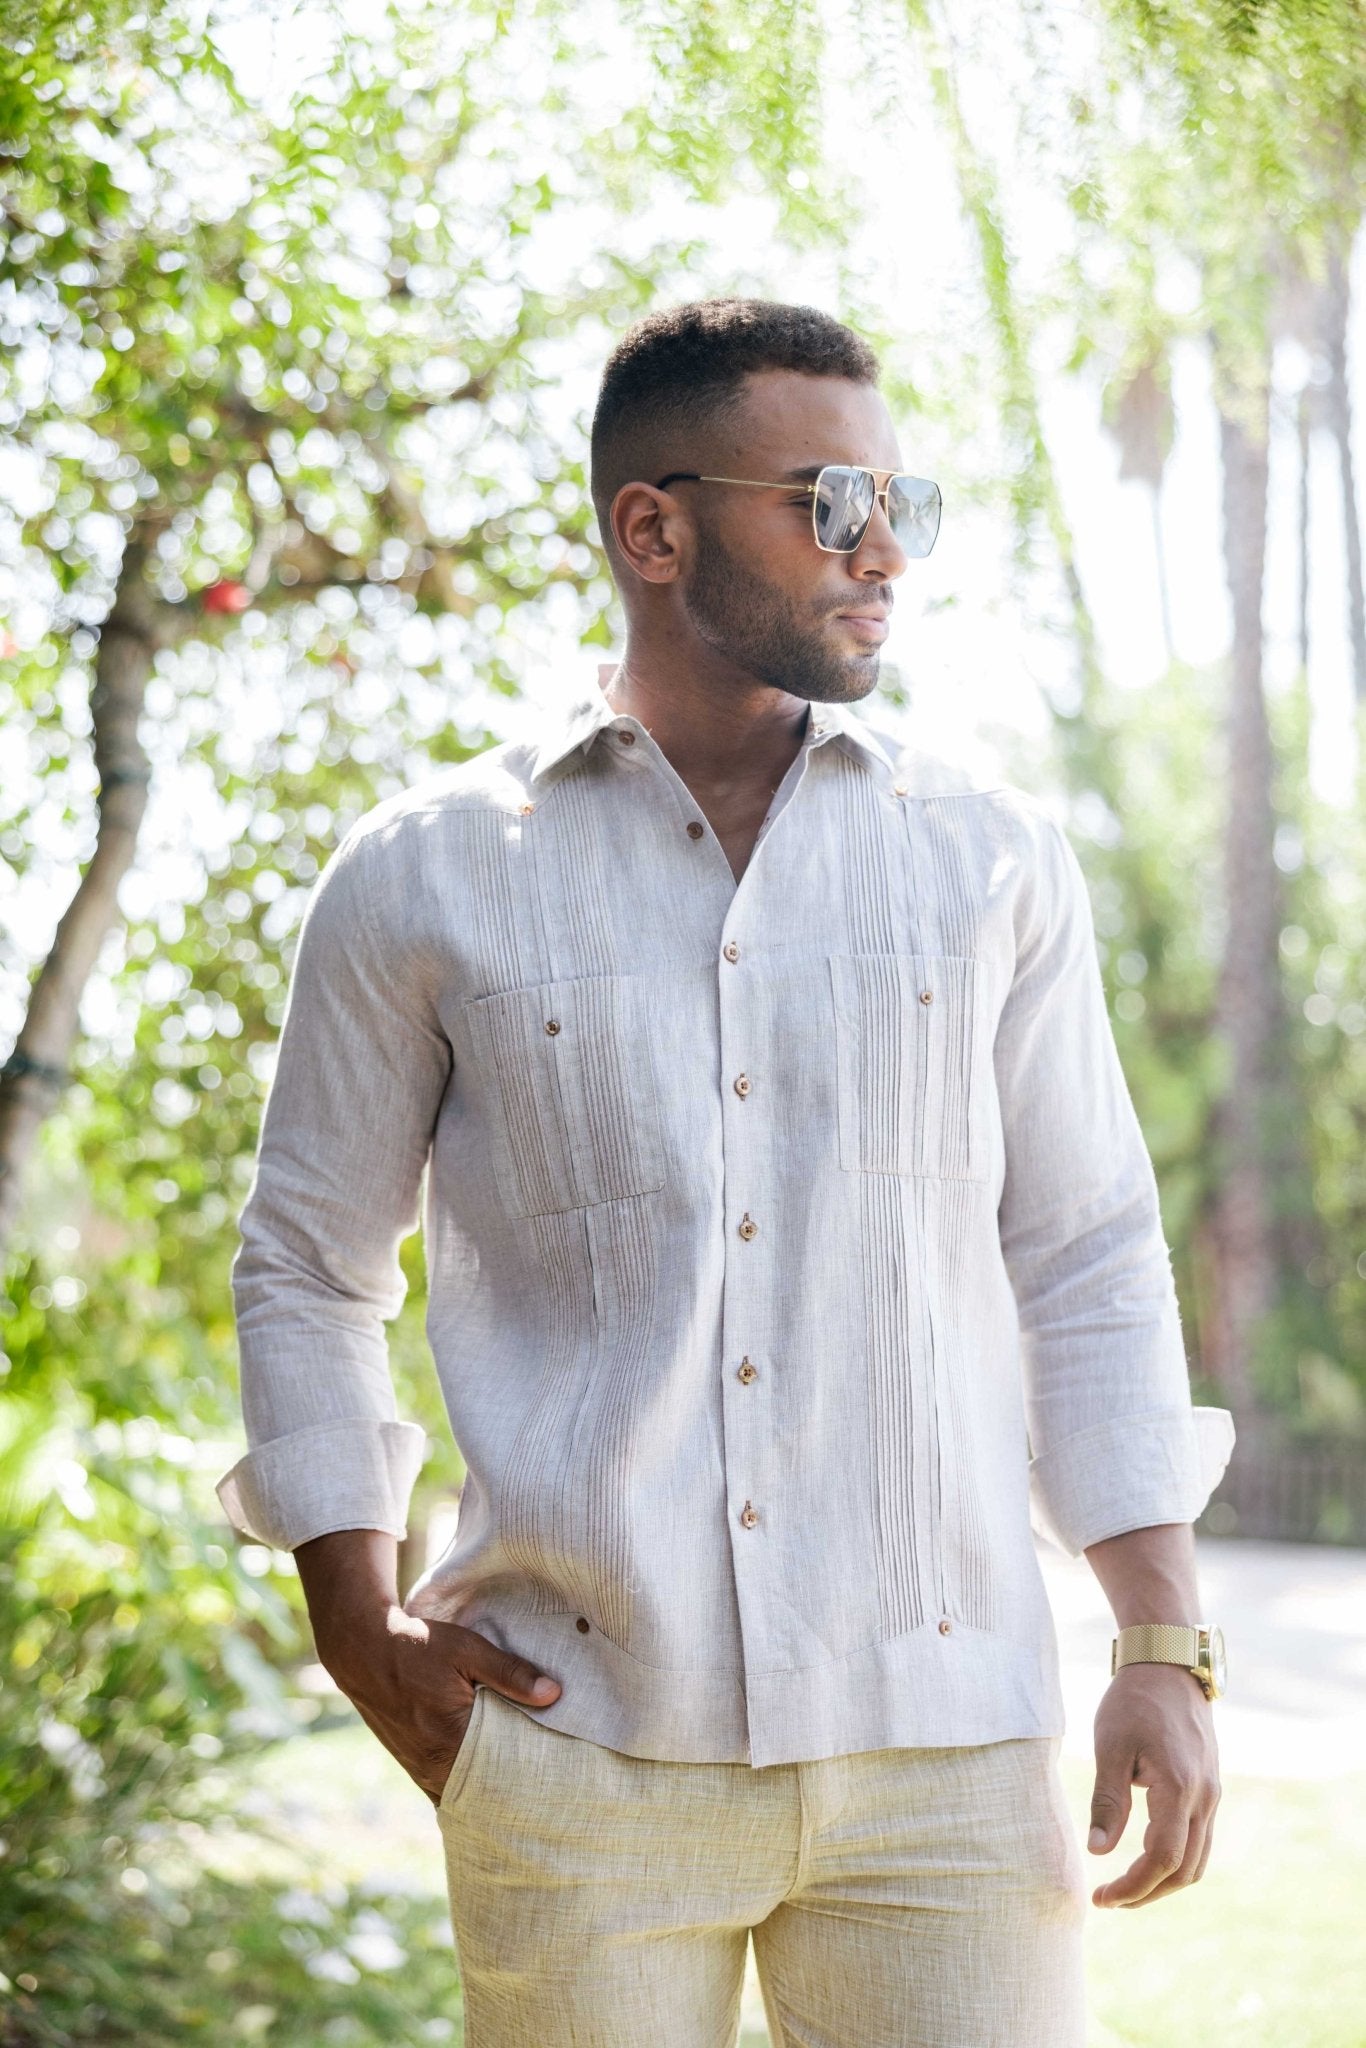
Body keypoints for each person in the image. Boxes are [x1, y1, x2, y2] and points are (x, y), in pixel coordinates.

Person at [216, 296, 1236, 2047]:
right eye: (829, 500)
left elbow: (1083, 1255)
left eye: (899, 499)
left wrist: (1161, 1640)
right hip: (579, 1737)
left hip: (950, 1750)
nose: (886, 549)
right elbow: (308, 1266)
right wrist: (356, 1626)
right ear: (652, 526)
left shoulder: (988, 860)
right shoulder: (421, 878)